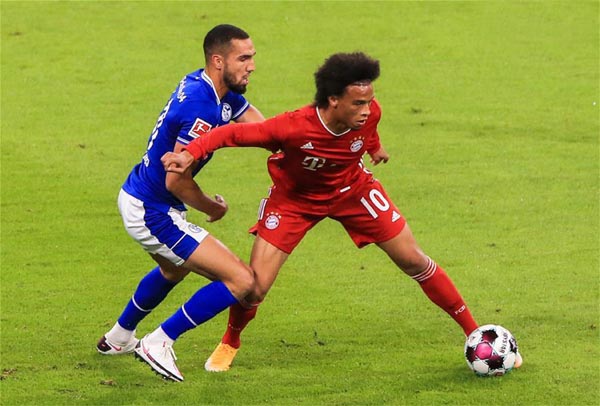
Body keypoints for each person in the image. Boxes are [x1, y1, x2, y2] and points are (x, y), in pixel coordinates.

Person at [161, 51, 523, 373]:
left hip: (354, 191)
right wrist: (188, 155)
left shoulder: (369, 114)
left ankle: (474, 331)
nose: (367, 110)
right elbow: (229, 136)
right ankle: (231, 341)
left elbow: (369, 132)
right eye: (358, 103)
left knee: (414, 260)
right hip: (294, 202)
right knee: (253, 289)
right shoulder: (291, 127)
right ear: (333, 100)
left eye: (370, 101)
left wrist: (375, 150)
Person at [96, 24, 265, 382]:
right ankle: (159, 341)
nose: (251, 66)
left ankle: (120, 337)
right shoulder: (202, 110)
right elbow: (176, 179)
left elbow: (263, 129)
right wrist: (211, 207)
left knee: (173, 270)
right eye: (244, 58)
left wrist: (299, 140)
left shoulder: (212, 87)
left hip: (140, 194)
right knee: (241, 280)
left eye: (252, 57)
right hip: (153, 210)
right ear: (219, 61)